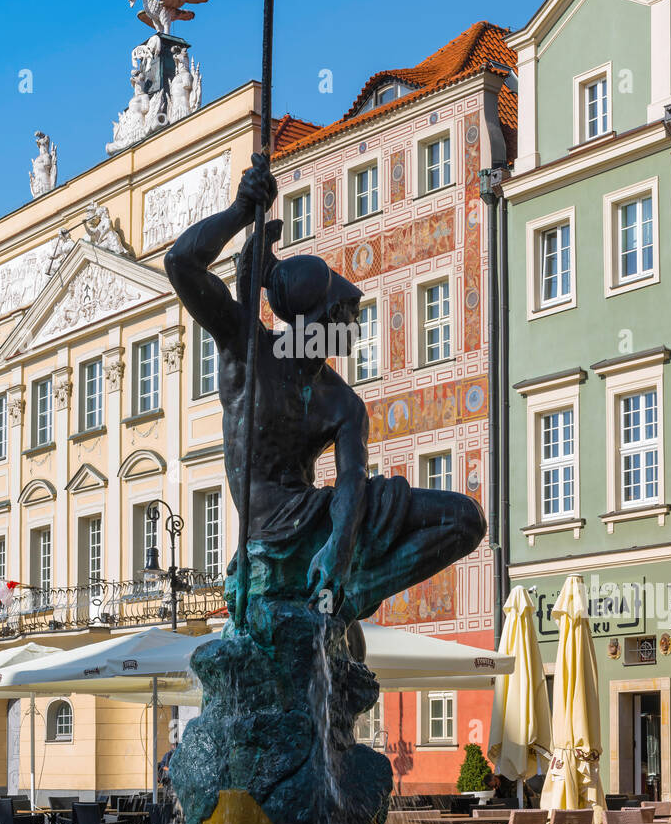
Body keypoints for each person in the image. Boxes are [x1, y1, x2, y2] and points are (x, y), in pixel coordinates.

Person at [164, 164, 486, 654]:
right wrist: (236, 212)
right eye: (347, 321)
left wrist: (338, 549)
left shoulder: (342, 401)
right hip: (267, 539)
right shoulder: (245, 349)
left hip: (323, 521)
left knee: (464, 519)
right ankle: (335, 597)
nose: (352, 335)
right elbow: (181, 265)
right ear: (316, 318)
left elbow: (353, 479)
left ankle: (354, 595)